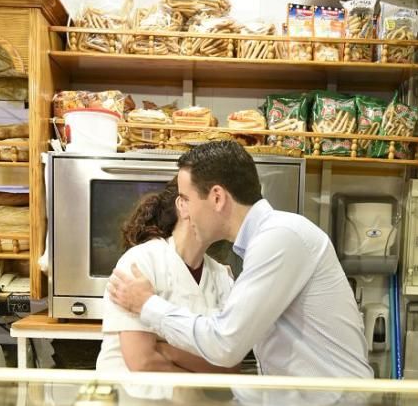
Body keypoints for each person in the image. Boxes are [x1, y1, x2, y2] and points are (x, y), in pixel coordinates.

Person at [107, 140, 373, 381]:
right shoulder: (267, 241)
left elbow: (225, 345)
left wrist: (146, 305)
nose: (184, 211)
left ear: (217, 198)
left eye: (187, 199)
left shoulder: (279, 237)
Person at [96, 177, 238, 374]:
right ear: (183, 205)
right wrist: (203, 376)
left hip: (201, 404)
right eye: (216, 199)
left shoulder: (222, 276)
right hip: (132, 402)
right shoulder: (140, 262)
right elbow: (142, 362)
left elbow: (231, 366)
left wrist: (167, 350)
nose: (228, 209)